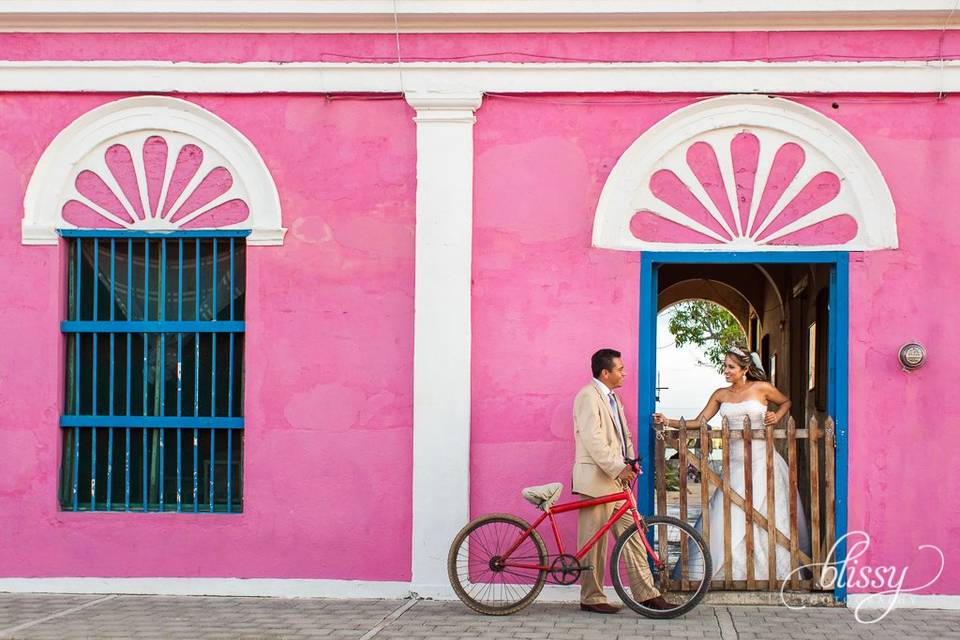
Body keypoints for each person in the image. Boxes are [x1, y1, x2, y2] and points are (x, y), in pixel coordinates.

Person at [652, 345, 811, 581]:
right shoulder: (720, 394)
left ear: (745, 369)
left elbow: (786, 402)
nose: (726, 371)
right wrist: (669, 420)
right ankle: (718, 569)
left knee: (765, 511)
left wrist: (776, 416)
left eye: (731, 367)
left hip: (761, 459)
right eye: (725, 366)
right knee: (729, 509)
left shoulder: (762, 388)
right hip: (734, 462)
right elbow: (699, 420)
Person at [573, 348, 674, 613]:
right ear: (605, 372)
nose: (624, 373)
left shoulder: (613, 399)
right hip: (596, 480)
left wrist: (630, 463)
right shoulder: (587, 396)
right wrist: (618, 468)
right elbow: (593, 439)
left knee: (635, 535)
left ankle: (647, 594)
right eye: (620, 369)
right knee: (594, 543)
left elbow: (623, 435)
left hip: (617, 481)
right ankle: (591, 598)